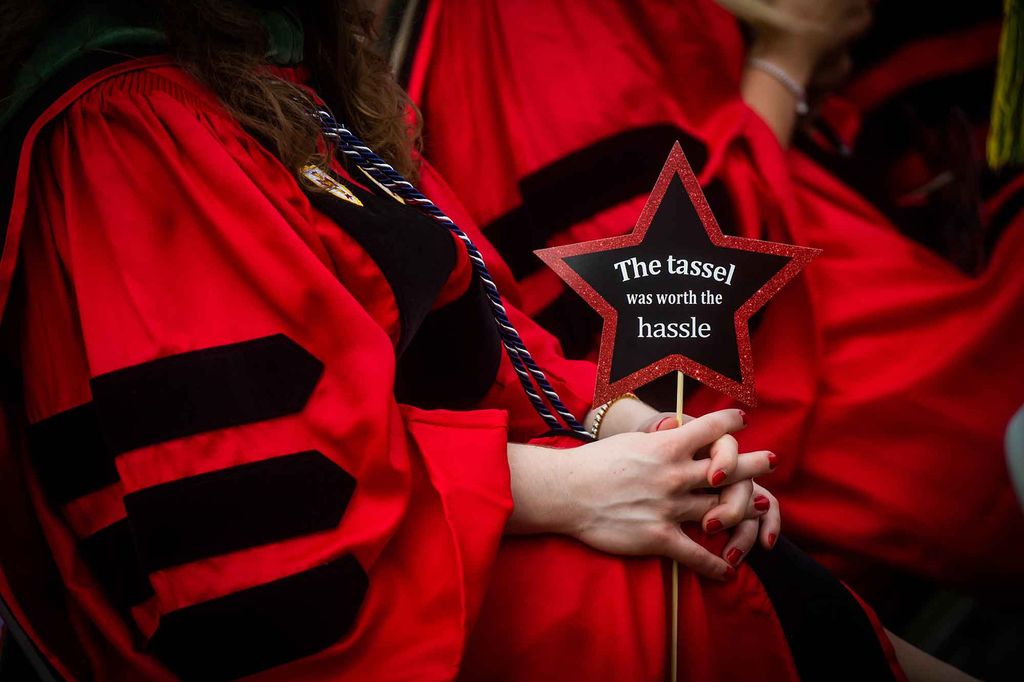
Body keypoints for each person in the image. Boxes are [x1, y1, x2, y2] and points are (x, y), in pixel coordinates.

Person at [0, 1, 968, 680]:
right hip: (404, 633)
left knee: (765, 588)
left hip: (536, 575)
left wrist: (626, 427)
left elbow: (482, 325)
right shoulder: (124, 135)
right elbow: (254, 538)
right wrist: (568, 487)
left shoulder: (273, 83)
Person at [409, 0, 1024, 614]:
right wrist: (785, 63)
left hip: (855, 276)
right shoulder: (521, 42)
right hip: (826, 384)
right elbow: (682, 289)